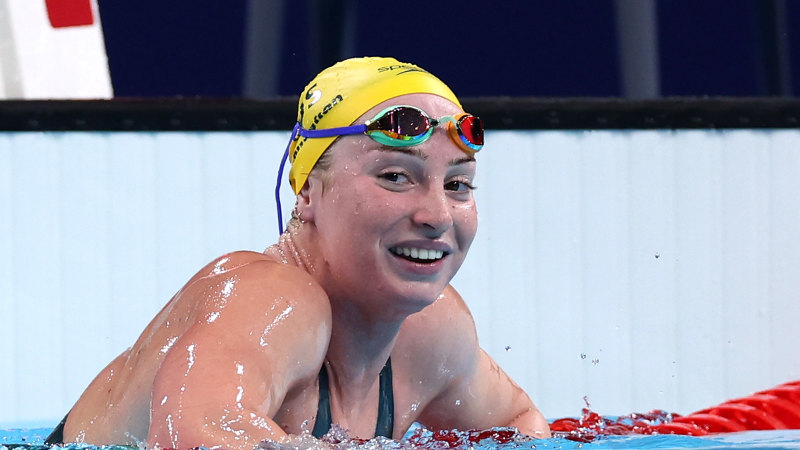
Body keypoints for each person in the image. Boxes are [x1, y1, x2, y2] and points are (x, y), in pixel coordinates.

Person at [46, 56, 550, 449]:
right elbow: (190, 439)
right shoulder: (268, 297)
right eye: (396, 176)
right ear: (308, 192)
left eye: (459, 184)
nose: (438, 214)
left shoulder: (432, 334)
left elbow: (521, 425)